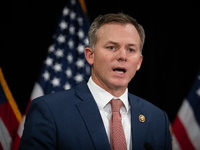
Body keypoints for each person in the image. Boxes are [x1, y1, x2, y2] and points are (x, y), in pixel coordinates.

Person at [19, 13, 172, 150]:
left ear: (139, 62)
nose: (122, 56)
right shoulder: (49, 111)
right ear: (90, 55)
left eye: (131, 49)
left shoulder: (157, 119)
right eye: (112, 47)